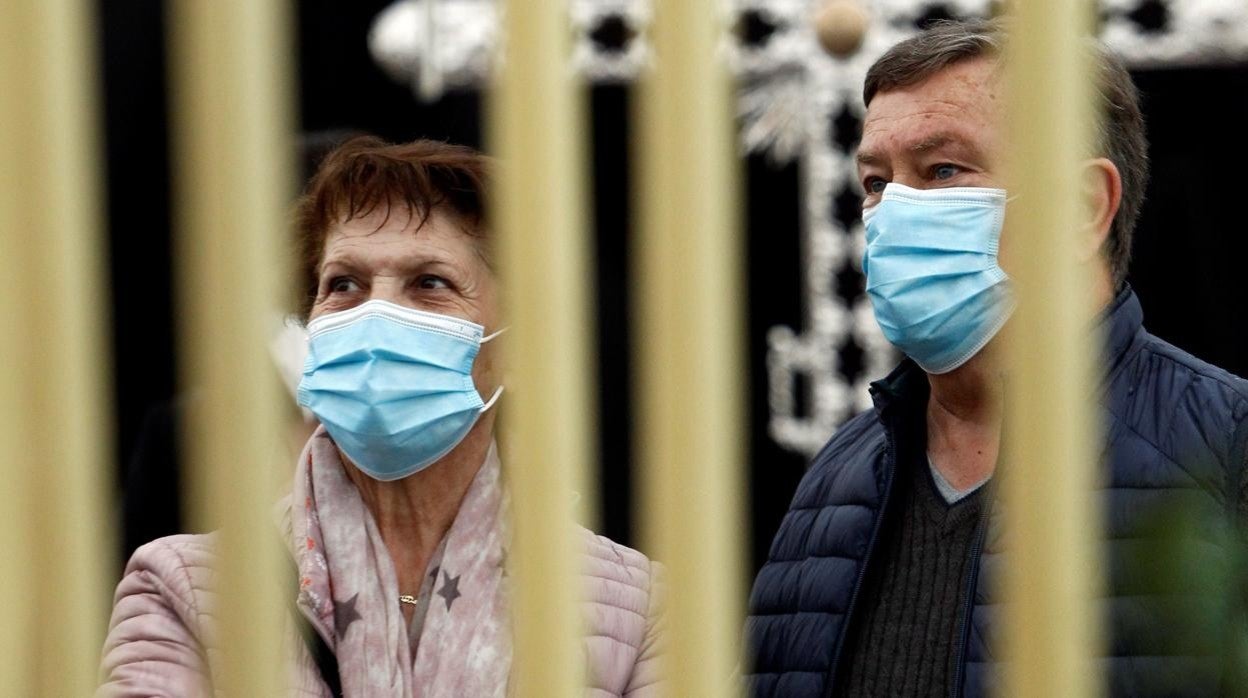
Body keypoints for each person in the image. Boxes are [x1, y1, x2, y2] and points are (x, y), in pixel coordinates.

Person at [744, 19, 1248, 697]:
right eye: (874, 182)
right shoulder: (833, 484)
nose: (893, 213)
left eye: (942, 169)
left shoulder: (1227, 446)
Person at [99, 137, 663, 697]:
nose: (377, 313)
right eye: (344, 284)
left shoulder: (636, 609)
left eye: (429, 283)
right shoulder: (185, 588)